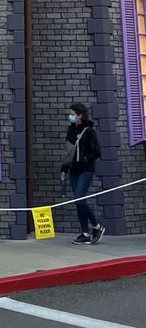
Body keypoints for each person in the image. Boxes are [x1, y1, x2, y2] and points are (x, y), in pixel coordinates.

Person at [60, 101, 104, 245]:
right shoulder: (70, 130)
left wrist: (85, 158)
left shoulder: (89, 131)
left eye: (72, 114)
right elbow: (69, 152)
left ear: (80, 116)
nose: (70, 117)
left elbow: (97, 151)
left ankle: (96, 226)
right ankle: (85, 232)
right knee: (78, 202)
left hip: (86, 169)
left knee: (79, 198)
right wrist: (64, 170)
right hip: (73, 170)